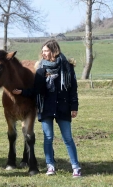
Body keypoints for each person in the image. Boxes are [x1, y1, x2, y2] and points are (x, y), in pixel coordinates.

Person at [12, 39, 81, 178]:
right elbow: (36, 90)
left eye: (46, 51)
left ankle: (76, 167)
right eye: (42, 51)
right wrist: (22, 92)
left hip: (63, 107)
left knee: (67, 138)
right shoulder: (41, 69)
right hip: (46, 108)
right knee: (48, 138)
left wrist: (74, 107)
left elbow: (73, 89)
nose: (43, 53)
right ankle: (50, 166)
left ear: (54, 51)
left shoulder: (67, 67)